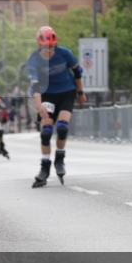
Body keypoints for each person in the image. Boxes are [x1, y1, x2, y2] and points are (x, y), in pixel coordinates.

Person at [26, 26, 86, 187]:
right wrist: (39, 107)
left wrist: (80, 93)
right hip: (46, 95)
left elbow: (77, 72)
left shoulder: (65, 53)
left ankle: (59, 158)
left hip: (67, 92)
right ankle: (44, 168)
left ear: (55, 45)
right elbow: (35, 87)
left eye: (52, 47)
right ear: (40, 45)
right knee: (46, 132)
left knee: (62, 128)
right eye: (46, 48)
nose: (49, 51)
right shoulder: (34, 60)